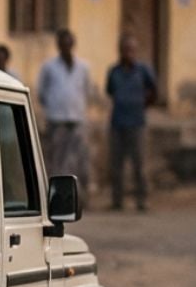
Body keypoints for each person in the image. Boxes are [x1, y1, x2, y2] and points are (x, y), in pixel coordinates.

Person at [104, 33, 158, 211]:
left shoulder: (143, 70)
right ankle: (117, 201)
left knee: (139, 164)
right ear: (120, 51)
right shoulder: (114, 71)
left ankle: (142, 200)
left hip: (137, 123)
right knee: (116, 165)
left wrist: (142, 105)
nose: (129, 53)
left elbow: (153, 91)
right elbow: (110, 91)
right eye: (125, 49)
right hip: (118, 122)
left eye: (132, 50)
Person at [36, 28, 95, 191]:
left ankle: (79, 194)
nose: (66, 46)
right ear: (58, 46)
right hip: (57, 120)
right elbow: (41, 92)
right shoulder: (49, 67)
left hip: (77, 119)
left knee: (80, 159)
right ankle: (56, 193)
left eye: (69, 43)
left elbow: (88, 90)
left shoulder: (83, 67)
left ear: (73, 44)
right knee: (56, 160)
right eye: (63, 44)